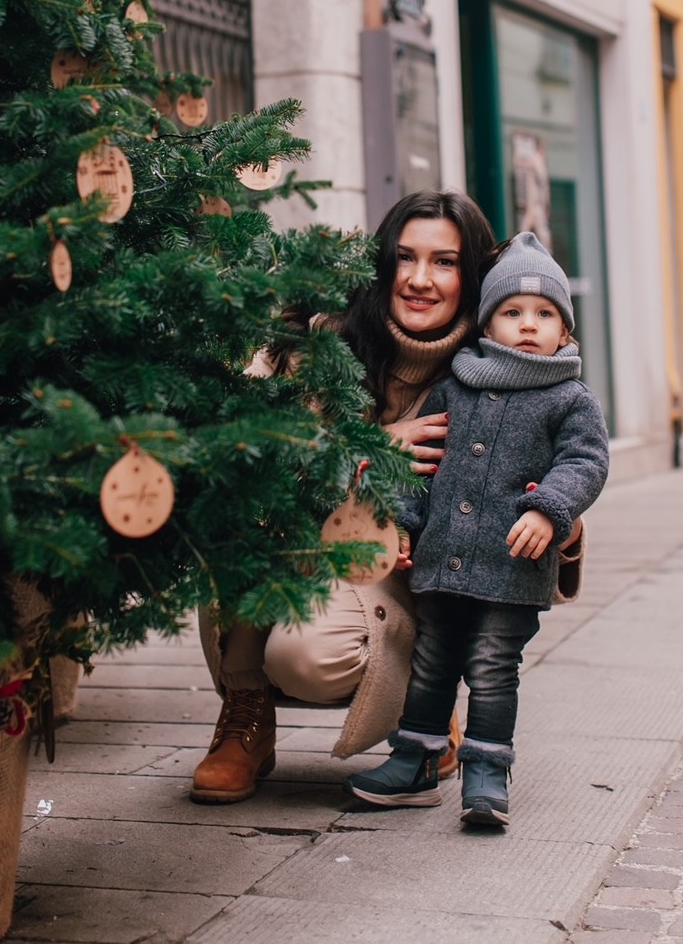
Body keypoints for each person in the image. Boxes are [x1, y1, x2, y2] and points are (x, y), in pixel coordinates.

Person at [190, 189, 497, 804]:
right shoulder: (315, 341)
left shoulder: (496, 367)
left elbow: (532, 483)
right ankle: (245, 714)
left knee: (306, 658)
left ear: (472, 275)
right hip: (293, 539)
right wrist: (372, 447)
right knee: (231, 515)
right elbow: (247, 448)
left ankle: (428, 706)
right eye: (405, 258)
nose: (419, 279)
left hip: (400, 573)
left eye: (444, 262)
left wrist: (560, 524)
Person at [347, 230, 609, 828]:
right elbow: (423, 468)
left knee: (492, 665)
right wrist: (405, 526)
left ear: (564, 332)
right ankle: (414, 760)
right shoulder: (456, 384)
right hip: (444, 562)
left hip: (513, 568)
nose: (526, 324)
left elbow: (586, 462)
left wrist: (551, 509)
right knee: (432, 661)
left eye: (544, 314)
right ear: (486, 325)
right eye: (511, 312)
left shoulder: (569, 398)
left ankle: (487, 772)